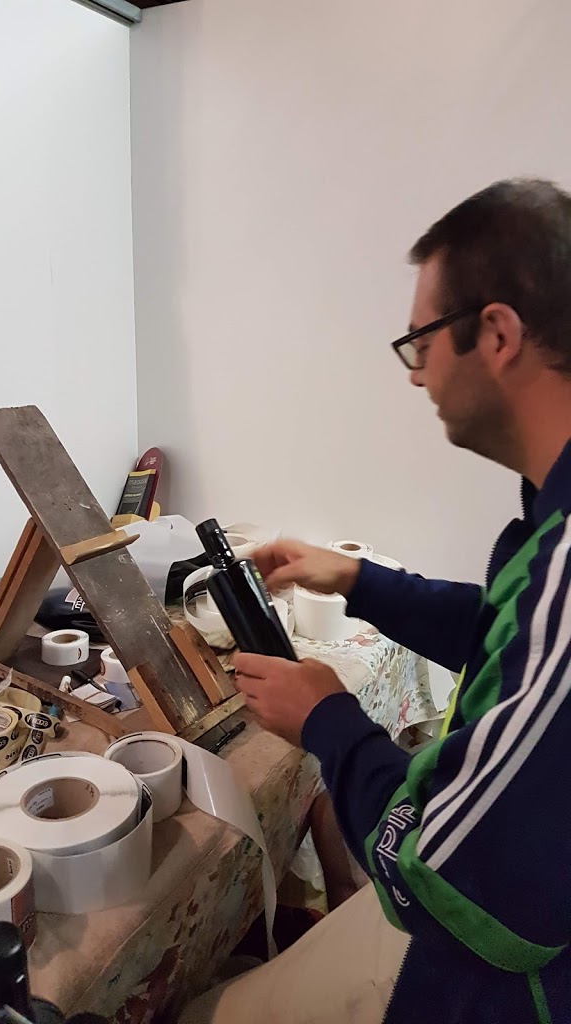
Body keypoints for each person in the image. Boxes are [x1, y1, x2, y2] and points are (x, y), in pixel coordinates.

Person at [182, 179, 571, 1024]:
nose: (415, 373)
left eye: (420, 342)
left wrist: (328, 720)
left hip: (501, 979)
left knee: (208, 1012)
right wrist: (360, 581)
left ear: (496, 335)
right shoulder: (552, 527)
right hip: (490, 916)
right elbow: (512, 635)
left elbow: (440, 866)